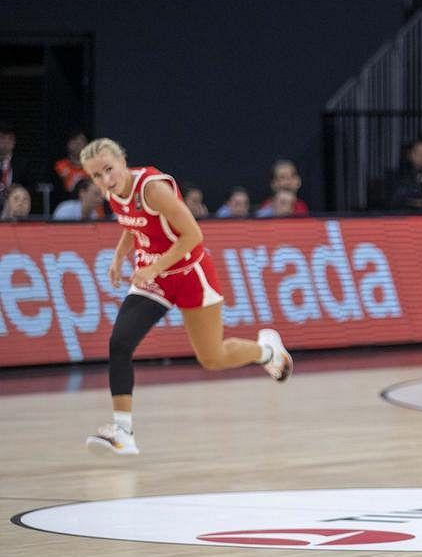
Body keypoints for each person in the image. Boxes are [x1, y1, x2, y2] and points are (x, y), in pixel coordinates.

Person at [79, 138, 293, 457]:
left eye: (109, 169)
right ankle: (123, 431)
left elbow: (194, 235)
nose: (105, 179)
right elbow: (131, 225)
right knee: (120, 342)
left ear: (124, 161)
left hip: (191, 274)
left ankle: (267, 353)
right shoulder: (113, 193)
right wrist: (118, 257)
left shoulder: (152, 189)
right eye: (96, 176)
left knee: (212, 357)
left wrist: (153, 269)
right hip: (156, 279)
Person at [53, 130, 90, 196]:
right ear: (68, 144)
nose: (78, 144)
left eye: (81, 141)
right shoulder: (59, 166)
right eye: (74, 141)